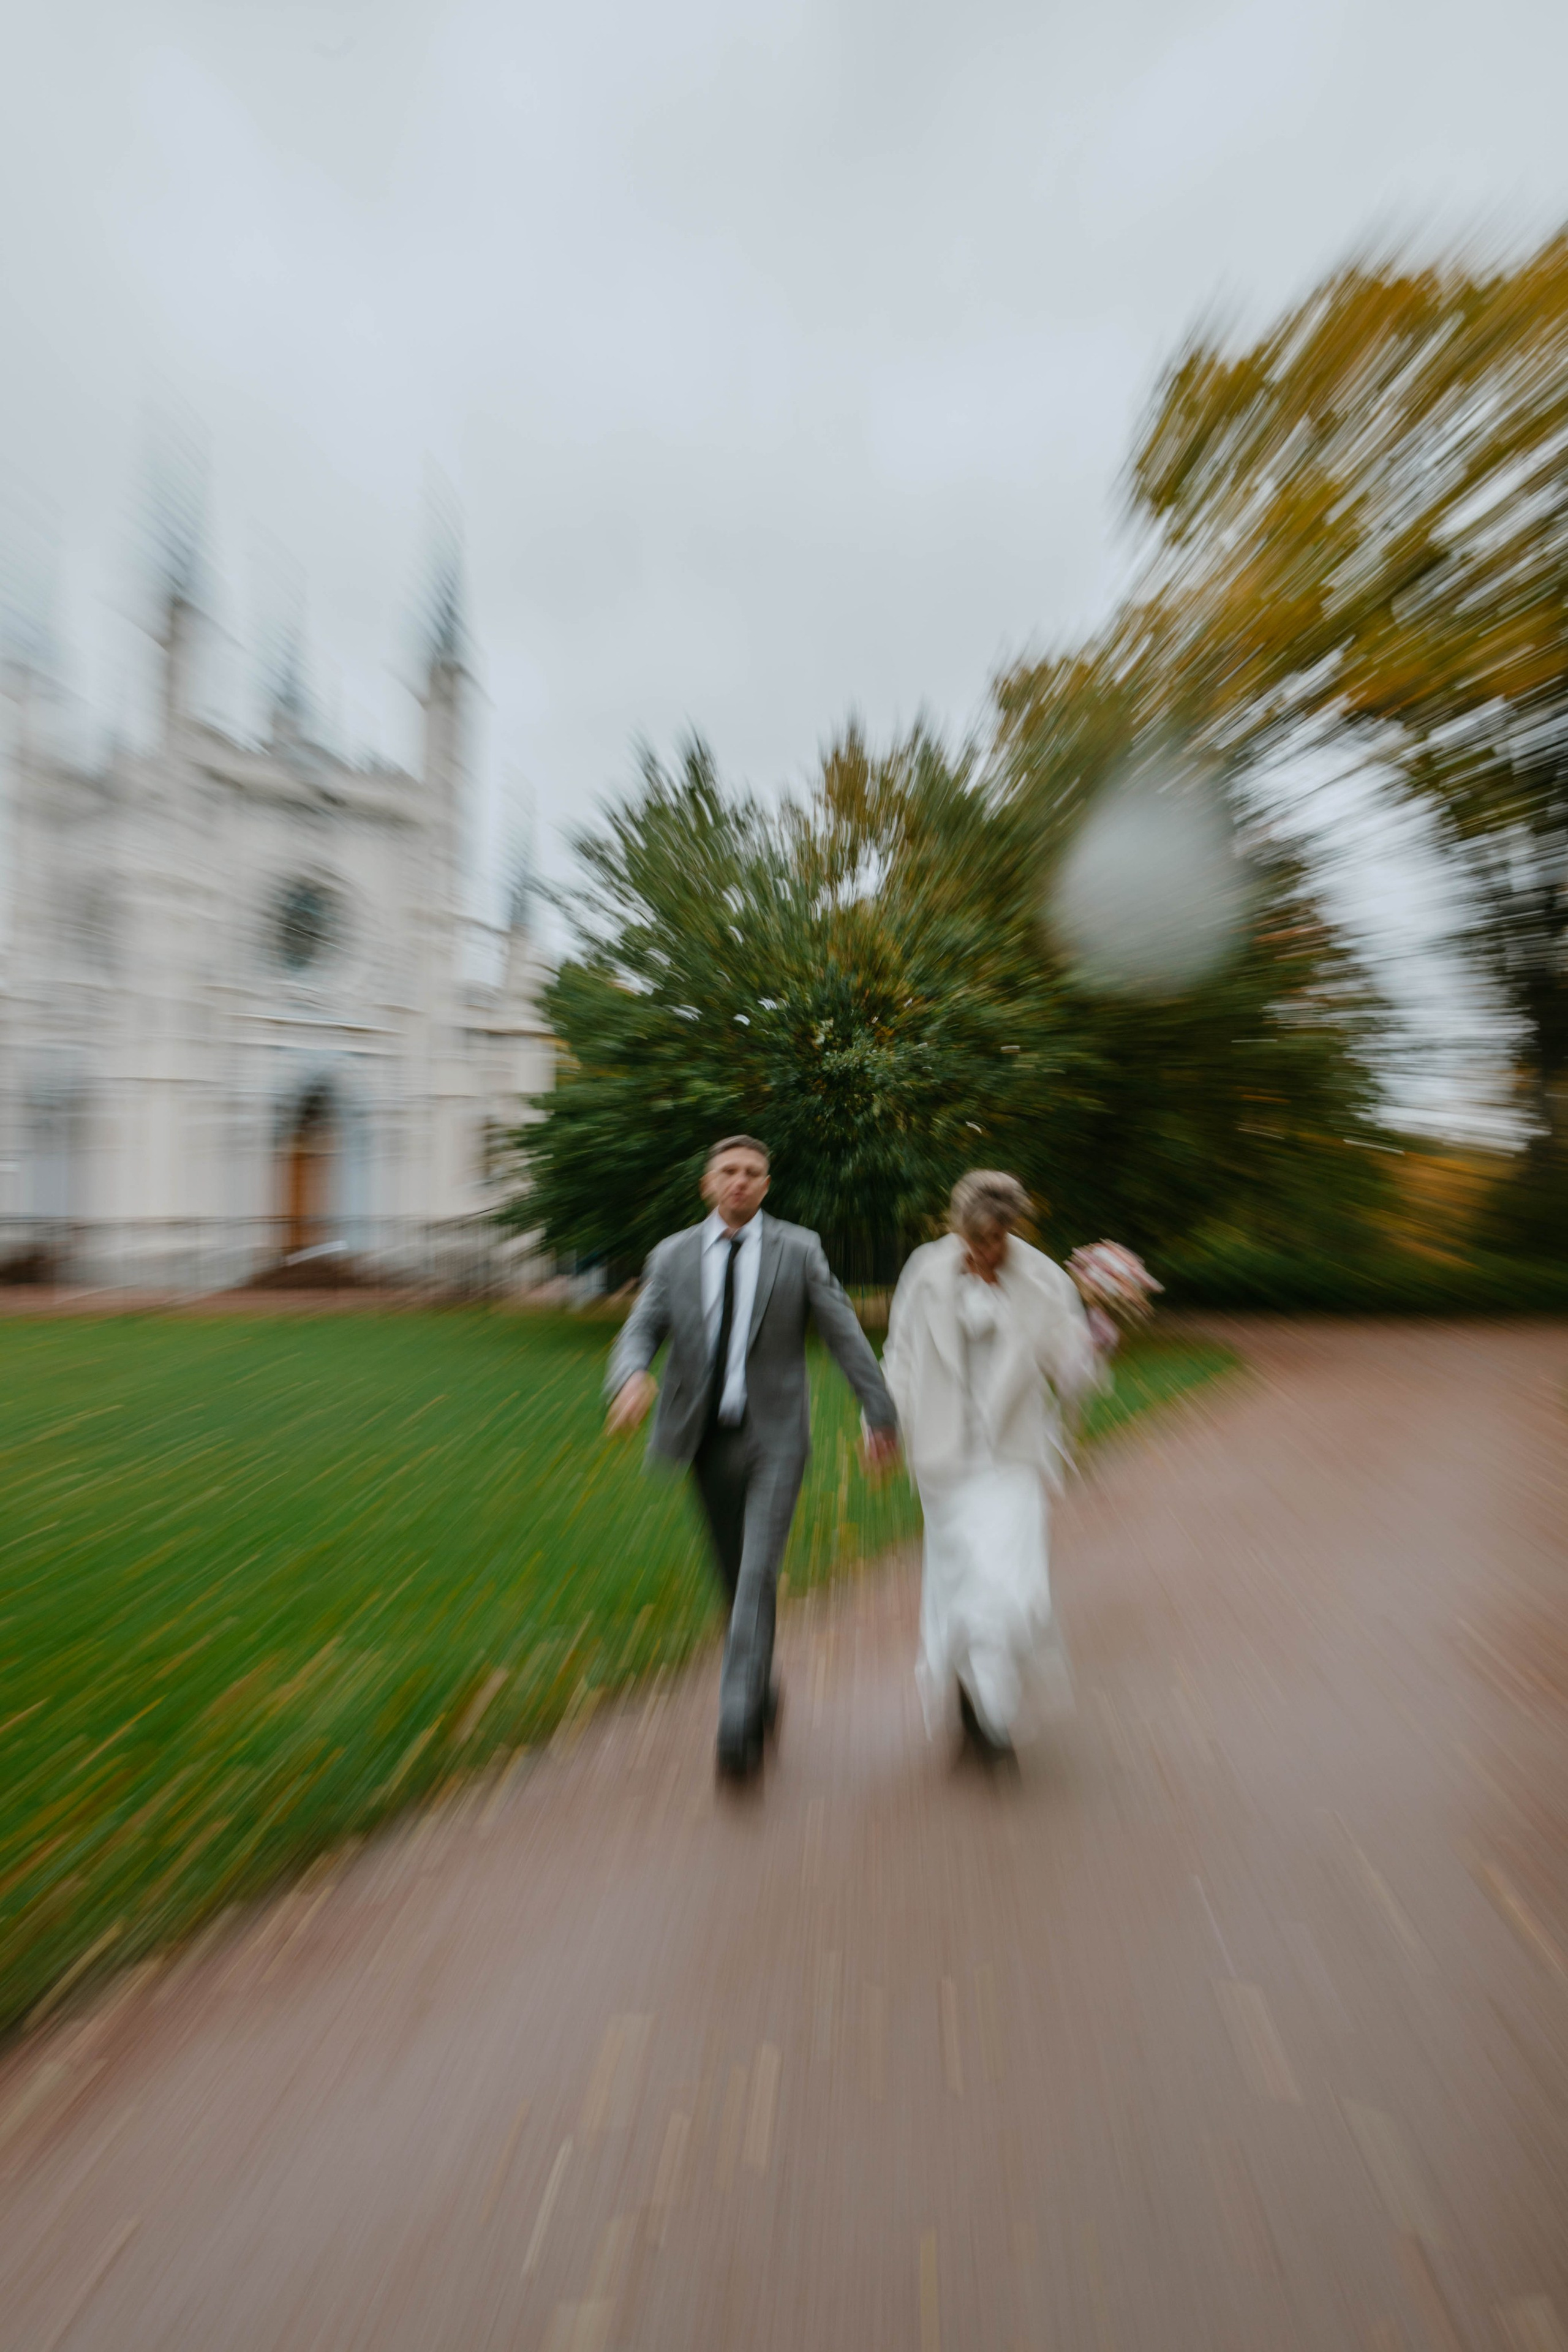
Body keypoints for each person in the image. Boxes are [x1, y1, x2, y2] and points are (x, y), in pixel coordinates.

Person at [606, 1136, 899, 1782]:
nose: (740, 1181)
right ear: (708, 1184)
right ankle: (761, 1685)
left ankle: (737, 1719)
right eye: (728, 1172)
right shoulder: (673, 1255)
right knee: (733, 1576)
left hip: (774, 1438)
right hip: (703, 1439)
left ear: (766, 1186)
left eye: (752, 1173)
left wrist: (880, 1412)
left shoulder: (798, 1250)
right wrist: (629, 1376)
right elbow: (642, 1328)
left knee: (759, 1571)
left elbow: (845, 1332)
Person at [881, 1170, 1105, 1763]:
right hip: (943, 1458)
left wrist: (1098, 1331)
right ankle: (978, 1710)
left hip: (1012, 1454)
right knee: (959, 1583)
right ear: (955, 1228)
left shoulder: (1043, 1280)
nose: (988, 1251)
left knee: (1011, 1586)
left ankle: (993, 1705)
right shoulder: (924, 1272)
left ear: (1013, 1229)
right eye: (977, 1240)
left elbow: (1070, 1367)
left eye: (999, 1239)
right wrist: (880, 1424)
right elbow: (900, 1355)